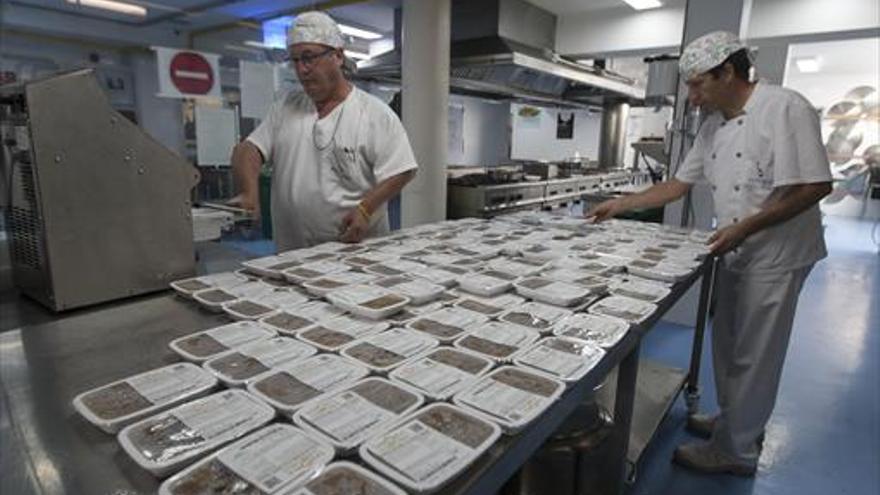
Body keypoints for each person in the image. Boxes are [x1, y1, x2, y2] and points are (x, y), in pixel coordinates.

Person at [588, 31, 832, 476]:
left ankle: (736, 452)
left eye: (699, 85)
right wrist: (620, 204)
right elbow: (677, 185)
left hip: (778, 254)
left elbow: (815, 186)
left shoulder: (785, 108)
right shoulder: (713, 126)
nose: (693, 98)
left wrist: (747, 227)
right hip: (736, 247)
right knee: (728, 344)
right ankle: (735, 421)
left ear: (729, 72)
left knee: (755, 354)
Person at [231, 11, 418, 250]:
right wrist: (249, 191)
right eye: (295, 60)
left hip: (354, 254)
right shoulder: (285, 108)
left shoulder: (373, 114)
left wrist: (365, 208)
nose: (301, 70)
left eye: (309, 58)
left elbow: (402, 170)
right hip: (292, 256)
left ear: (338, 56)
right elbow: (248, 149)